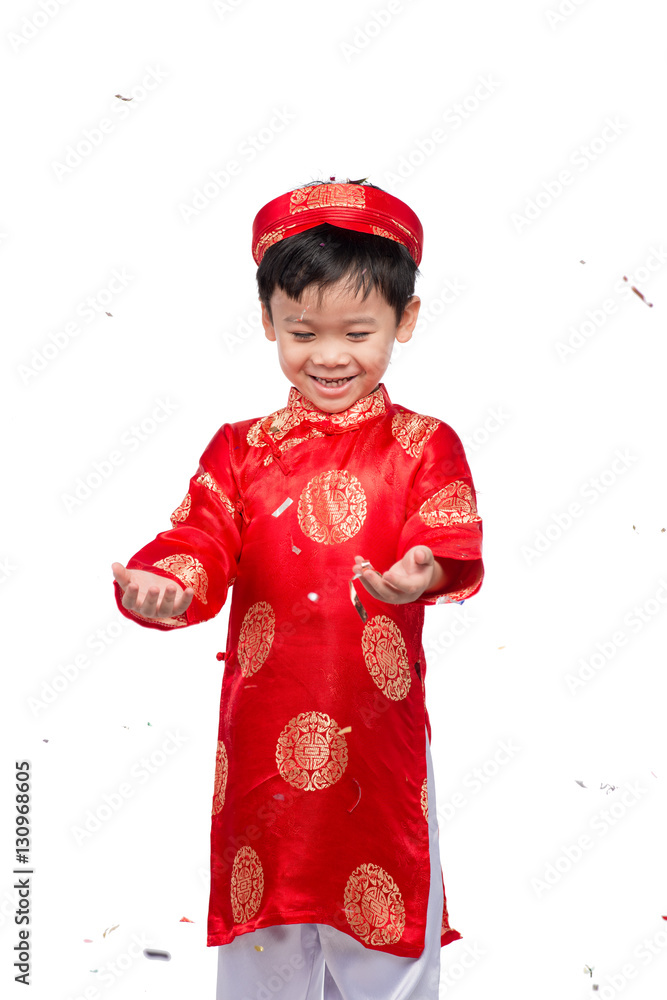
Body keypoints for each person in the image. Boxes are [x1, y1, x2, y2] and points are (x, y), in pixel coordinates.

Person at [111, 177, 484, 1000]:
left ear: (405, 322)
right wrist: (168, 584)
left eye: (357, 331)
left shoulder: (422, 445)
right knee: (265, 936)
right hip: (262, 744)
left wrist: (417, 570)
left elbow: (444, 536)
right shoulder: (240, 450)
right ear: (269, 322)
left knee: (384, 942)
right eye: (301, 330)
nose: (328, 355)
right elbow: (199, 537)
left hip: (377, 737)